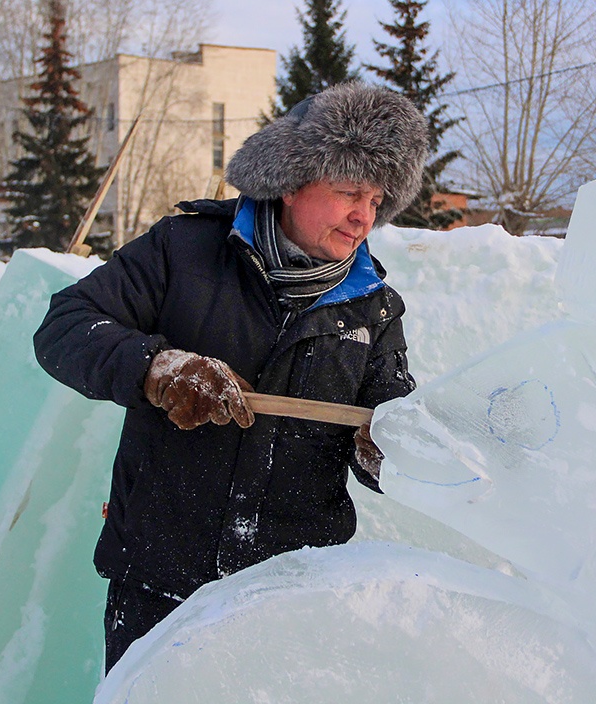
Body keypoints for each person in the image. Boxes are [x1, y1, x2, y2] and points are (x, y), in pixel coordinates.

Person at [32, 81, 428, 673]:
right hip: (159, 582)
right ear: (293, 184)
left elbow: (392, 427)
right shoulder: (184, 251)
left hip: (286, 600)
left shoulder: (373, 307)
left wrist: (391, 449)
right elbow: (64, 327)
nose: (362, 217)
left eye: (375, 200)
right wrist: (158, 371)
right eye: (349, 192)